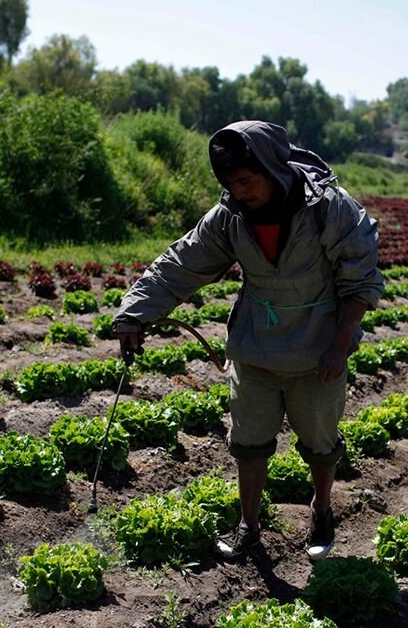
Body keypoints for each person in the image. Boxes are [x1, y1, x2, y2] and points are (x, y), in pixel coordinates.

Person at [113, 120, 383, 561]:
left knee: (319, 443)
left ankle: (321, 508)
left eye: (245, 180)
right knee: (248, 442)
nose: (238, 191)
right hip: (255, 346)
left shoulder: (329, 209)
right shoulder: (230, 218)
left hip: (317, 352)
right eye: (229, 183)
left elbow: (360, 281)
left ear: (273, 169)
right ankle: (249, 525)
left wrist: (339, 347)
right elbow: (181, 263)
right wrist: (135, 312)